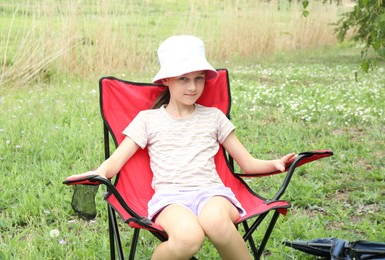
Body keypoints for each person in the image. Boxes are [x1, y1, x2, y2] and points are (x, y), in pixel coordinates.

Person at [69, 35, 296, 260]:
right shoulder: (148, 119)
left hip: (212, 192)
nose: (194, 86)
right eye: (184, 79)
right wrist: (97, 173)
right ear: (166, 80)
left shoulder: (214, 117)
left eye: (199, 78)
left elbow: (247, 163)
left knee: (216, 221)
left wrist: (276, 164)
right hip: (170, 198)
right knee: (189, 237)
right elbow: (115, 163)